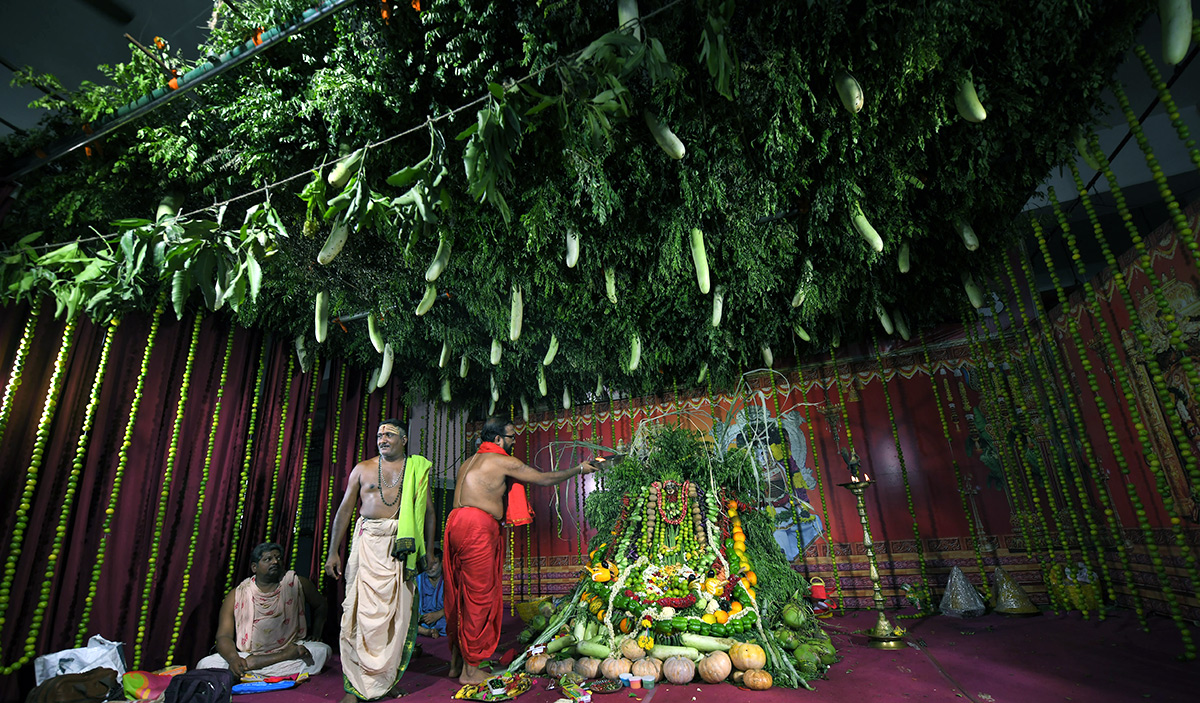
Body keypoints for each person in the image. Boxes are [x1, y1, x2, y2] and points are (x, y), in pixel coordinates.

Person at [443, 417, 600, 685]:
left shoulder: (469, 462)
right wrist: (579, 469)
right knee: (478, 597)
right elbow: (543, 479)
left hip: (455, 523)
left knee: (459, 594)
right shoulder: (503, 460)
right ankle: (471, 671)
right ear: (497, 440)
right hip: (477, 527)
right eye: (511, 437)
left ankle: (458, 662)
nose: (515, 441)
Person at [324, 419, 434, 703]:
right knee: (359, 616)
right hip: (368, 544)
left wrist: (430, 552)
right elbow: (344, 511)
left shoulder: (416, 469)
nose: (382, 438)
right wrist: (332, 551)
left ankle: (385, 682)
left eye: (389, 434)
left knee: (396, 618)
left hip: (400, 547)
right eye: (379, 434)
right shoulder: (362, 469)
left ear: (404, 439)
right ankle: (355, 687)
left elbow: (429, 512)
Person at [198, 542, 330, 678]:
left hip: (292, 646)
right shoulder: (237, 594)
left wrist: (317, 633)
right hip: (254, 655)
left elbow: (321, 605)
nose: (275, 562)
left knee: (322, 651)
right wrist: (233, 659)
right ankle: (270, 663)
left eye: (278, 558)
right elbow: (223, 636)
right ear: (254, 567)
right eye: (268, 559)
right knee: (205, 664)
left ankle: (252, 669)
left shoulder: (297, 583)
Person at [415, 548, 445, 638]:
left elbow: (456, 604)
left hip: (442, 619)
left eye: (434, 563)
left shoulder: (449, 580)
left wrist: (438, 614)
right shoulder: (418, 580)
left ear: (442, 563)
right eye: (427, 563)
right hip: (422, 622)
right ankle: (427, 632)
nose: (430, 567)